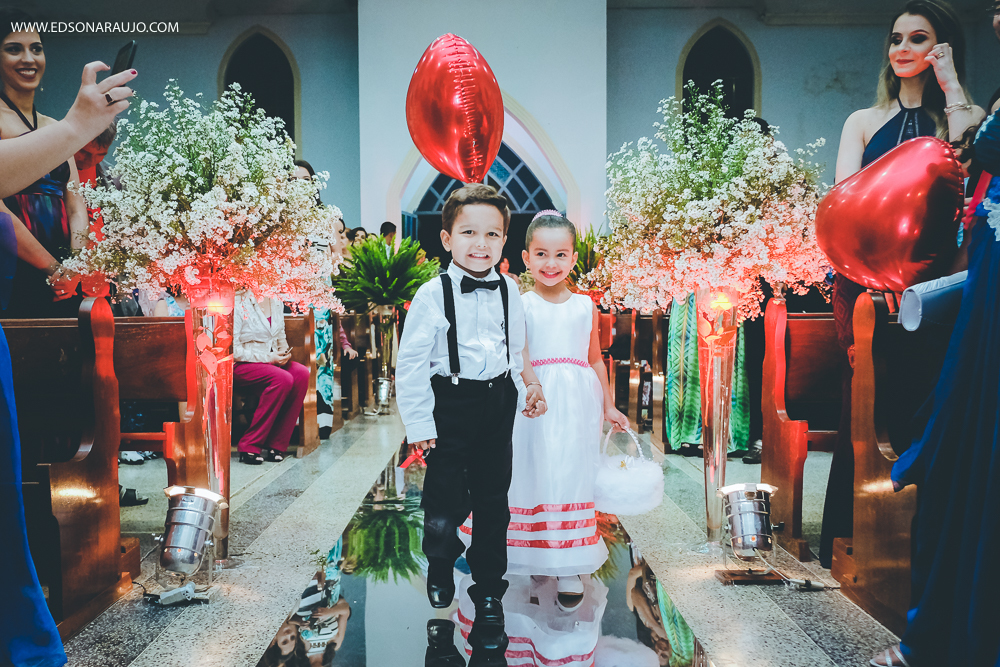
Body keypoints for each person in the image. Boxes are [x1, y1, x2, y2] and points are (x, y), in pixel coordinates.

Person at [820, 0, 984, 569]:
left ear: (943, 48)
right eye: (896, 38)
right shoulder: (863, 121)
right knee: (866, 398)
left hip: (934, 286)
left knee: (924, 395)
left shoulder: (964, 115)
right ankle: (852, 529)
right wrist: (873, 274)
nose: (904, 48)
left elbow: (970, 177)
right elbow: (844, 203)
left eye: (919, 38)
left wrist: (951, 82)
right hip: (862, 285)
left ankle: (919, 542)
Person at [396, 184, 542, 664]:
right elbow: (411, 364)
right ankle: (441, 564)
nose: (481, 243)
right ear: (446, 238)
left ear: (504, 241)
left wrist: (526, 390)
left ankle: (488, 589)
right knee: (443, 496)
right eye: (469, 233)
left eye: (492, 234)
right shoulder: (431, 293)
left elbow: (513, 349)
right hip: (450, 402)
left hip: (497, 401)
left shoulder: (511, 289)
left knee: (493, 498)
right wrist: (419, 424)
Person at [463, 213, 627, 585]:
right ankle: (535, 552)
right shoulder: (521, 304)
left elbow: (595, 359)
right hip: (533, 395)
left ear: (573, 258)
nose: (550, 263)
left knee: (571, 469)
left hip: (578, 401)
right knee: (532, 467)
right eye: (541, 254)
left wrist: (609, 405)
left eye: (560, 255)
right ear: (526, 257)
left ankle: (567, 564)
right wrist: (530, 385)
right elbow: (517, 353)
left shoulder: (585, 306)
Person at [0, 17, 98, 318]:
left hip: (65, 277)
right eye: (14, 49)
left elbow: (76, 205)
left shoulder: (56, 126)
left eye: (36, 48)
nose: (28, 58)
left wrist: (74, 267)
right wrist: (52, 268)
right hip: (13, 267)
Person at [233, 289, 310, 465]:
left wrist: (284, 353)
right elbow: (233, 350)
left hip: (271, 362)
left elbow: (280, 336)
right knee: (282, 378)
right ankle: (249, 444)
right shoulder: (239, 301)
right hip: (242, 365)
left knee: (301, 373)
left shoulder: (275, 299)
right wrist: (269, 358)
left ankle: (277, 443)